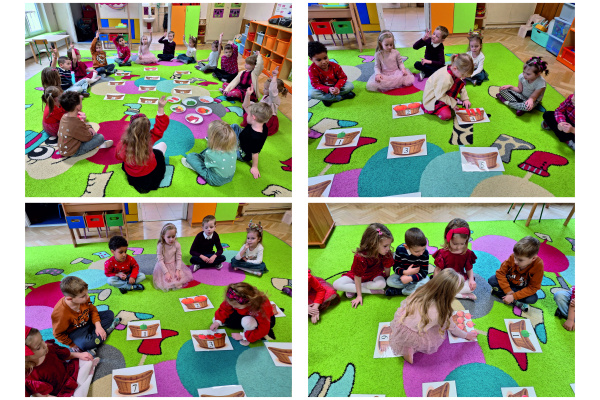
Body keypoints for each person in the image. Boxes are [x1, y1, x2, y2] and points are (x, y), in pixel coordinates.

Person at [389, 269, 481, 364]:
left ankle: (408, 344)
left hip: (402, 325)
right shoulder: (443, 310)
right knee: (437, 330)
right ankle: (412, 346)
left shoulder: (420, 290)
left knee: (420, 321)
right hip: (417, 334)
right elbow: (452, 327)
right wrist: (466, 335)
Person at [51, 276, 120, 352]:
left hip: (88, 320)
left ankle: (96, 336)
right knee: (85, 344)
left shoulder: (84, 298)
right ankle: (103, 333)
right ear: (69, 299)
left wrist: (98, 326)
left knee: (109, 314)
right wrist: (72, 344)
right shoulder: (60, 314)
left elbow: (92, 310)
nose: (87, 297)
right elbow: (58, 334)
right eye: (83, 296)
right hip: (76, 331)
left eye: (86, 293)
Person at [116, 96, 169, 194]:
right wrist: (160, 108)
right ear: (147, 129)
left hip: (133, 176)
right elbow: (160, 127)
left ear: (130, 127)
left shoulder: (122, 144)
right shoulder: (150, 139)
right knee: (162, 146)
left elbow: (118, 157)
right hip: (149, 175)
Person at [332, 223, 394, 307]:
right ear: (373, 244)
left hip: (375, 274)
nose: (388, 249)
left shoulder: (386, 253)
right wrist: (359, 295)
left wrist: (387, 280)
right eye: (385, 246)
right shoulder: (360, 257)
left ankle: (351, 288)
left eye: (389, 245)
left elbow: (387, 267)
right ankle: (369, 291)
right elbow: (357, 276)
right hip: (359, 276)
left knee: (381, 284)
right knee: (336, 284)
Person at [25, 326, 99, 397]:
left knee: (88, 361)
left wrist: (80, 355)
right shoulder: (30, 376)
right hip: (61, 391)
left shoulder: (50, 347)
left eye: (42, 339)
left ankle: (81, 383)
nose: (44, 345)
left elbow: (66, 355)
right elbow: (45, 396)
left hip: (70, 373)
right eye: (38, 347)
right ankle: (88, 377)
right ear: (27, 357)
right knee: (78, 396)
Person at [210, 283, 276, 345]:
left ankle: (249, 335)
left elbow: (264, 329)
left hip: (266, 321)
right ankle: (245, 327)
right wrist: (218, 321)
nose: (233, 307)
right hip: (244, 313)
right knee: (217, 319)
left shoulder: (261, 308)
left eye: (236, 306)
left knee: (247, 321)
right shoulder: (234, 298)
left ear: (249, 303)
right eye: (232, 305)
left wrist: (243, 336)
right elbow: (225, 308)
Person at [488, 236, 543, 311]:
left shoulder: (538, 265)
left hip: (522, 288)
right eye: (515, 257)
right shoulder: (514, 256)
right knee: (492, 280)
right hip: (509, 282)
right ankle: (515, 301)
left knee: (532, 299)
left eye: (520, 260)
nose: (515, 261)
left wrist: (514, 296)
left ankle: (504, 296)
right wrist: (508, 291)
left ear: (533, 258)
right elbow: (500, 273)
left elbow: (533, 287)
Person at [56, 91, 113, 157]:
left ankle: (97, 141)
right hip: (73, 151)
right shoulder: (75, 123)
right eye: (81, 102)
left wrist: (89, 128)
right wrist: (91, 132)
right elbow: (87, 138)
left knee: (89, 126)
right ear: (78, 107)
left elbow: (81, 126)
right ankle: (99, 144)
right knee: (100, 137)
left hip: (64, 148)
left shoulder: (64, 116)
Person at [182, 120, 237, 186]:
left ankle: (193, 166)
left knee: (190, 156)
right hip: (230, 177)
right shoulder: (233, 149)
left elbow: (206, 165)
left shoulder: (210, 153)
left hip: (215, 180)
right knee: (208, 151)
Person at [432, 218, 477, 300]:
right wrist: (435, 283)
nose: (459, 247)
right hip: (446, 279)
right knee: (438, 287)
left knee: (471, 287)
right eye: (455, 244)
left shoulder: (467, 253)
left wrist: (471, 280)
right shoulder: (442, 253)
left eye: (462, 243)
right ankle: (460, 294)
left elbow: (469, 269)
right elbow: (437, 270)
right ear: (448, 239)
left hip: (460, 279)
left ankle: (450, 293)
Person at [421, 53, 474, 121]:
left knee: (459, 81)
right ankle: (440, 109)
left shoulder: (454, 70)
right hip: (433, 98)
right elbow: (440, 96)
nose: (464, 78)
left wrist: (465, 99)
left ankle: (448, 101)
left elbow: (461, 85)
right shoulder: (445, 79)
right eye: (463, 75)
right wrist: (453, 103)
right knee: (446, 115)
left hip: (441, 91)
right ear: (455, 68)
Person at [240, 66, 288, 136]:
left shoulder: (274, 98)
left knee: (249, 111)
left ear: (275, 91)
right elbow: (261, 104)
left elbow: (272, 90)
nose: (263, 90)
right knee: (249, 104)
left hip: (266, 118)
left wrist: (274, 77)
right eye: (264, 88)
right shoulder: (266, 95)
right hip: (262, 112)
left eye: (266, 89)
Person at [231, 100, 271, 179]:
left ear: (253, 117)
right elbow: (245, 106)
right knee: (235, 126)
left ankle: (220, 141)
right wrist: (248, 95)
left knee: (226, 149)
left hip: (242, 153)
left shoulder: (256, 137)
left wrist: (254, 167)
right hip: (242, 139)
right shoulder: (261, 122)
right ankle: (221, 136)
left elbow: (255, 153)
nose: (246, 115)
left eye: (248, 114)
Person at [386, 227, 430, 296]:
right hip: (403, 275)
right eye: (417, 251)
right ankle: (411, 288)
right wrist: (406, 272)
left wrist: (411, 278)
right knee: (389, 281)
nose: (421, 253)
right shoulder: (400, 250)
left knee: (427, 283)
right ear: (406, 247)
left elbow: (424, 272)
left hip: (417, 276)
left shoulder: (425, 253)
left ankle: (400, 291)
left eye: (423, 249)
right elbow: (396, 267)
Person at [308, 41, 355, 106]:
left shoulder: (335, 66)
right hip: (323, 88)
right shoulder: (312, 70)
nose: (324, 62)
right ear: (311, 60)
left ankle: (328, 99)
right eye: (319, 60)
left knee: (350, 86)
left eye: (325, 58)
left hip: (336, 85)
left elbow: (343, 77)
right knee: (311, 93)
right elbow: (315, 84)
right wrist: (328, 89)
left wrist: (337, 87)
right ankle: (341, 97)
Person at [153, 223, 194, 291]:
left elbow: (178, 258)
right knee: (167, 282)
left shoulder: (177, 244)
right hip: (164, 266)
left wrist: (177, 270)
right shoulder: (160, 246)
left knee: (179, 279)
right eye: (168, 237)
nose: (171, 239)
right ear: (163, 236)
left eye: (173, 236)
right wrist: (166, 273)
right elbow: (160, 260)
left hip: (174, 265)